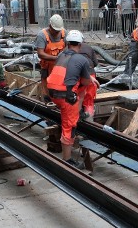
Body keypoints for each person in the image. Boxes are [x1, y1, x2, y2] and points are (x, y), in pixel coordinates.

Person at [46, 30, 99, 168]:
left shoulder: (61, 55)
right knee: (69, 126)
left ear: (67, 43)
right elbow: (86, 83)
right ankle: (67, 160)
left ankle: (76, 110)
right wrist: (90, 78)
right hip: (65, 96)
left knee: (75, 93)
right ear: (80, 44)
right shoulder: (82, 59)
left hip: (51, 92)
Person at [35, 14, 66, 102]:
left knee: (61, 85)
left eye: (58, 31)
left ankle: (60, 101)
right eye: (55, 31)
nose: (57, 33)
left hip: (61, 66)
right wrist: (57, 58)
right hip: (47, 67)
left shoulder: (64, 33)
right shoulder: (42, 35)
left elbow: (69, 48)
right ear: (50, 26)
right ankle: (48, 100)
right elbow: (40, 53)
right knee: (47, 87)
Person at [77, 41, 98, 121]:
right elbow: (95, 63)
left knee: (77, 97)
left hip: (77, 74)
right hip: (90, 75)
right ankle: (89, 121)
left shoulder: (67, 49)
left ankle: (76, 118)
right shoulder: (89, 47)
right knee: (89, 100)